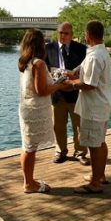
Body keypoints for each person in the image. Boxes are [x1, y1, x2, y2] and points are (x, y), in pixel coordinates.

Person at [64, 20, 111, 194]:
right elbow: (86, 73)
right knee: (100, 141)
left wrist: (72, 84)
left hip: (93, 107)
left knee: (94, 145)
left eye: (85, 33)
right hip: (102, 104)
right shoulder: (100, 52)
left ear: (88, 35)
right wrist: (73, 73)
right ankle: (100, 175)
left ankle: (94, 183)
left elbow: (89, 84)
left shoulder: (94, 56)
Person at [18, 29, 65, 194]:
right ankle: (29, 184)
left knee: (27, 147)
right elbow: (41, 90)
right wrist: (59, 84)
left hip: (26, 107)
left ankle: (28, 181)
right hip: (35, 110)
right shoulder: (39, 63)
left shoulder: (26, 61)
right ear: (39, 44)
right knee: (30, 149)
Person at [45, 22, 89, 164]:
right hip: (57, 95)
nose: (63, 36)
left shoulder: (82, 49)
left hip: (76, 93)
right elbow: (44, 70)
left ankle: (80, 152)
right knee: (58, 126)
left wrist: (72, 80)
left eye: (66, 33)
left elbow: (86, 71)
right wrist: (55, 75)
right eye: (60, 33)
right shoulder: (48, 48)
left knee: (79, 126)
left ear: (72, 34)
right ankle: (60, 151)